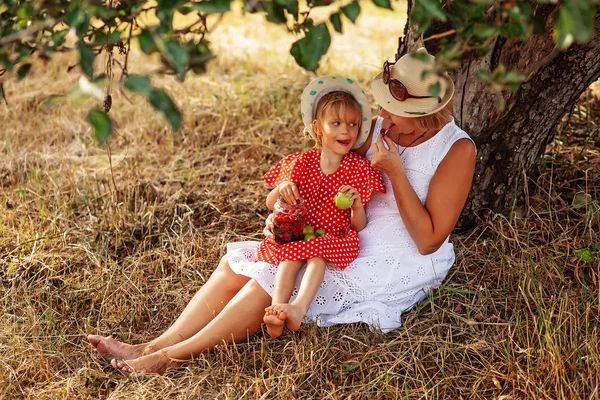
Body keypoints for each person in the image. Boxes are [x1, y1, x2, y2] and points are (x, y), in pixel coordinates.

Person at [87, 48, 476, 375]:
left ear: (427, 113)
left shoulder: (457, 151)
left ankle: (168, 359)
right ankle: (150, 344)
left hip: (396, 253)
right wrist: (287, 205)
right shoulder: (379, 129)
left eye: (394, 112)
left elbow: (428, 240)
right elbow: (328, 174)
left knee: (270, 280)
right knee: (241, 263)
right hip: (348, 231)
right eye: (383, 108)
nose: (382, 119)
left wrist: (395, 173)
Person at [257, 77, 385, 338]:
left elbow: (358, 226)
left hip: (332, 237)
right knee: (290, 255)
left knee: (317, 255)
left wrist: (356, 205)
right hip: (300, 231)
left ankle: (297, 308)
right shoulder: (302, 163)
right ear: (317, 128)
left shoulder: (357, 169)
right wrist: (281, 190)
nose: (345, 131)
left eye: (352, 124)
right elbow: (270, 203)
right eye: (335, 123)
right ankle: (276, 309)